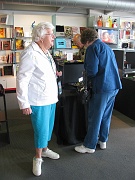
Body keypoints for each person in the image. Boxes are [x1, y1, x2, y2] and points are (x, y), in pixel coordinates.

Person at [16, 22, 62, 176]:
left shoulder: (46, 51)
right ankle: (37, 158)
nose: (53, 37)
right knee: (41, 130)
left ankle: (45, 149)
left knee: (48, 129)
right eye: (51, 34)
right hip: (38, 99)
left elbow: (44, 71)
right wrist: (24, 103)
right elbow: (22, 79)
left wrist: (55, 74)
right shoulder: (30, 53)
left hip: (50, 97)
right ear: (41, 37)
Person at [75, 28, 122, 154]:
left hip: (102, 87)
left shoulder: (92, 48)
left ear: (86, 40)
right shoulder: (106, 47)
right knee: (106, 115)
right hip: (114, 86)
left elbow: (92, 71)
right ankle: (102, 141)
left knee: (95, 116)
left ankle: (89, 145)